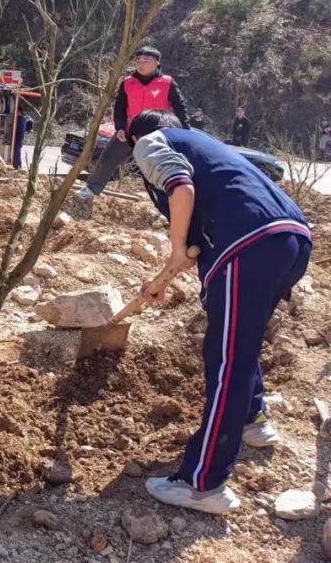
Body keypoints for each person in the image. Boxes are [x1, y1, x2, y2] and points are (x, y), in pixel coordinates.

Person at [129, 109, 310, 515]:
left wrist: (176, 251)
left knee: (227, 358)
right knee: (239, 340)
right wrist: (164, 274)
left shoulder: (150, 141)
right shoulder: (210, 148)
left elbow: (179, 187)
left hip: (249, 243)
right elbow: (197, 234)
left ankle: (204, 483)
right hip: (291, 238)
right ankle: (252, 419)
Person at [76, 45, 189, 203]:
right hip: (130, 131)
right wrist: (120, 128)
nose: (141, 64)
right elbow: (120, 107)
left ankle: (165, 201)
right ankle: (91, 189)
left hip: (157, 133)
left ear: (157, 63)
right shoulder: (128, 83)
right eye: (138, 61)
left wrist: (185, 132)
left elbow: (180, 108)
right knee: (108, 157)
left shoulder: (167, 83)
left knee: (160, 167)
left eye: (146, 60)